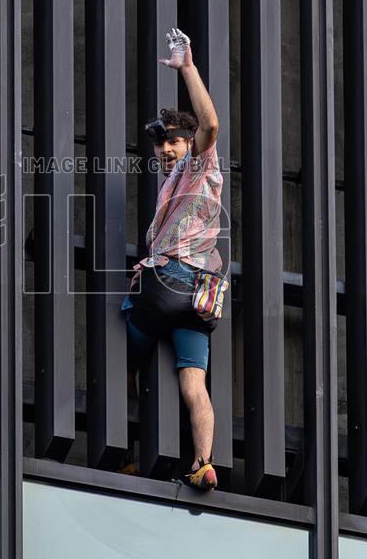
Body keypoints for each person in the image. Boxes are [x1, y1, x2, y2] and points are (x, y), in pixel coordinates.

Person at [119, 27, 224, 491]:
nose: (165, 151)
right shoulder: (177, 183)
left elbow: (211, 125)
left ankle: (125, 454)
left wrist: (188, 68)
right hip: (202, 298)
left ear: (188, 145)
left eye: (173, 143)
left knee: (121, 358)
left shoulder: (196, 166)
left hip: (170, 281)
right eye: (160, 146)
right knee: (194, 382)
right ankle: (203, 463)